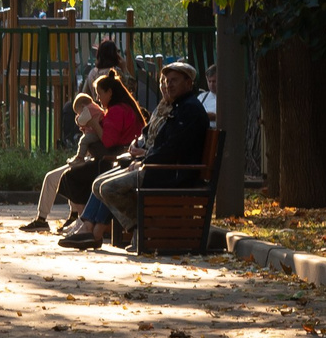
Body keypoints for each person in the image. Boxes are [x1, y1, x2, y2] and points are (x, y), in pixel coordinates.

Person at [59, 61, 210, 250]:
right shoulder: (176, 106)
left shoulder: (189, 110)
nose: (168, 85)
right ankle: (91, 231)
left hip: (171, 173)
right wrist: (137, 147)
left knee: (108, 188)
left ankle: (141, 228)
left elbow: (172, 148)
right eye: (167, 81)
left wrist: (145, 161)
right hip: (160, 167)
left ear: (189, 83)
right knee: (98, 183)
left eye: (175, 81)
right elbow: (149, 135)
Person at [24, 92, 104, 232]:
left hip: (94, 160)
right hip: (89, 158)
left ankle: (67, 217)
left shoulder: (96, 112)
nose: (98, 99)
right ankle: (43, 218)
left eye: (100, 94)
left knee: (70, 175)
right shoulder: (99, 112)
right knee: (56, 176)